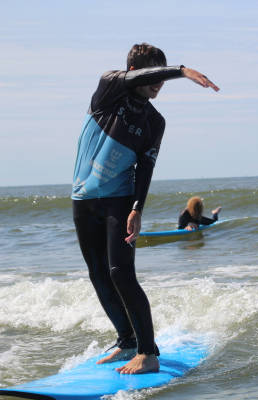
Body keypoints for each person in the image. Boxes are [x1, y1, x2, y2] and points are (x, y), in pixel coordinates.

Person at [72, 43, 219, 374]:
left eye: (164, 74)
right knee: (98, 275)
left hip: (119, 201)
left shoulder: (155, 121)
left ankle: (148, 352)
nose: (160, 82)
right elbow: (140, 76)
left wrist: (137, 209)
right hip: (83, 198)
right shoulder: (109, 87)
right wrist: (181, 70)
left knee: (121, 274)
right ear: (135, 71)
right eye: (155, 72)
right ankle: (126, 342)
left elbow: (145, 167)